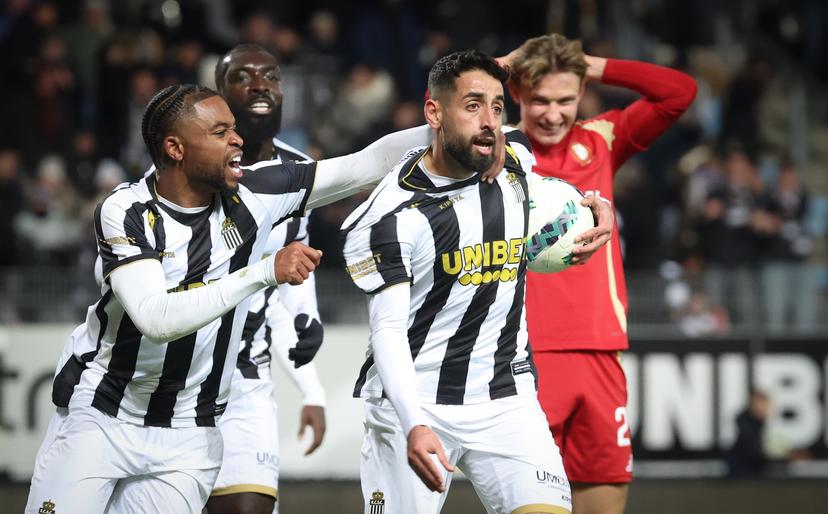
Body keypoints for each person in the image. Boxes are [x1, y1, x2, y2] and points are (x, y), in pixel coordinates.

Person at [25, 83, 437, 513]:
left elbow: (366, 164)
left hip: (187, 433)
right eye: (220, 132)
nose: (238, 139)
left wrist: (460, 123)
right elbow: (156, 318)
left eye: (235, 129)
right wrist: (263, 271)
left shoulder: (257, 194)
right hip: (103, 415)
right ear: (175, 147)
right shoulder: (126, 210)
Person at [342, 50, 612, 514]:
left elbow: (552, 196)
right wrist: (412, 424)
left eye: (497, 107)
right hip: (415, 402)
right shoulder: (390, 217)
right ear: (434, 113)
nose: (490, 122)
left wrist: (595, 205)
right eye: (472, 106)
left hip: (506, 397)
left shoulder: (515, 159)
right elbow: (386, 330)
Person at [503, 34, 697, 514]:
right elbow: (436, 111)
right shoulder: (492, 150)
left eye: (566, 99)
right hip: (524, 354)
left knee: (604, 500)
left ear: (582, 94)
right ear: (517, 95)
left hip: (599, 349)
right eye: (540, 100)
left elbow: (679, 93)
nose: (552, 114)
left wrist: (591, 64)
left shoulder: (602, 139)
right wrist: (493, 67)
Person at [206, 44, 327, 514]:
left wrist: (311, 387)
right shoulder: (189, 167)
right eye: (243, 76)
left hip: (246, 383)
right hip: (176, 378)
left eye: (271, 76)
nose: (260, 85)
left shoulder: (302, 172)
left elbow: (295, 275)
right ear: (220, 90)